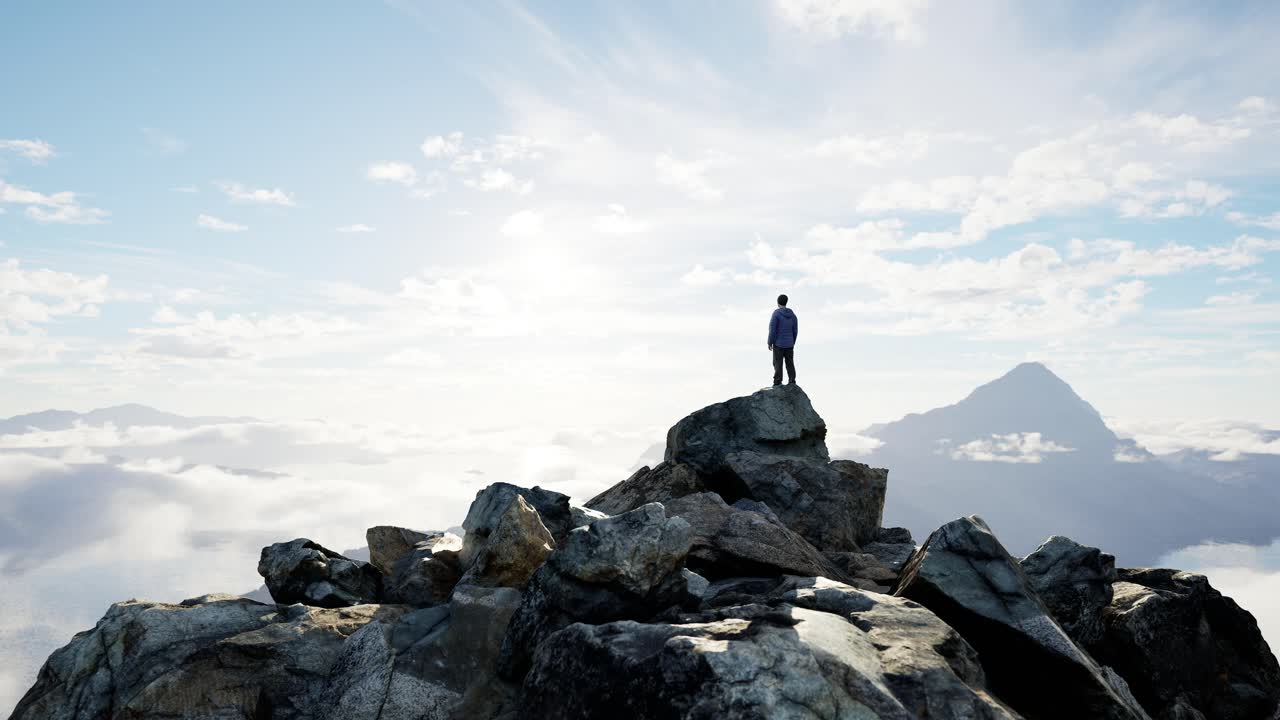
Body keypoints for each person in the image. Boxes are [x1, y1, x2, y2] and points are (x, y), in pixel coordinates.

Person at [767, 294, 798, 386]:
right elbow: (795, 330)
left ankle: (777, 381)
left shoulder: (776, 314)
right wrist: (792, 341)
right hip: (789, 343)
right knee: (790, 363)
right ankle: (792, 380)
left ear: (778, 302)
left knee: (777, 362)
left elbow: (772, 329)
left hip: (778, 344)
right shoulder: (793, 315)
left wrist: (770, 342)